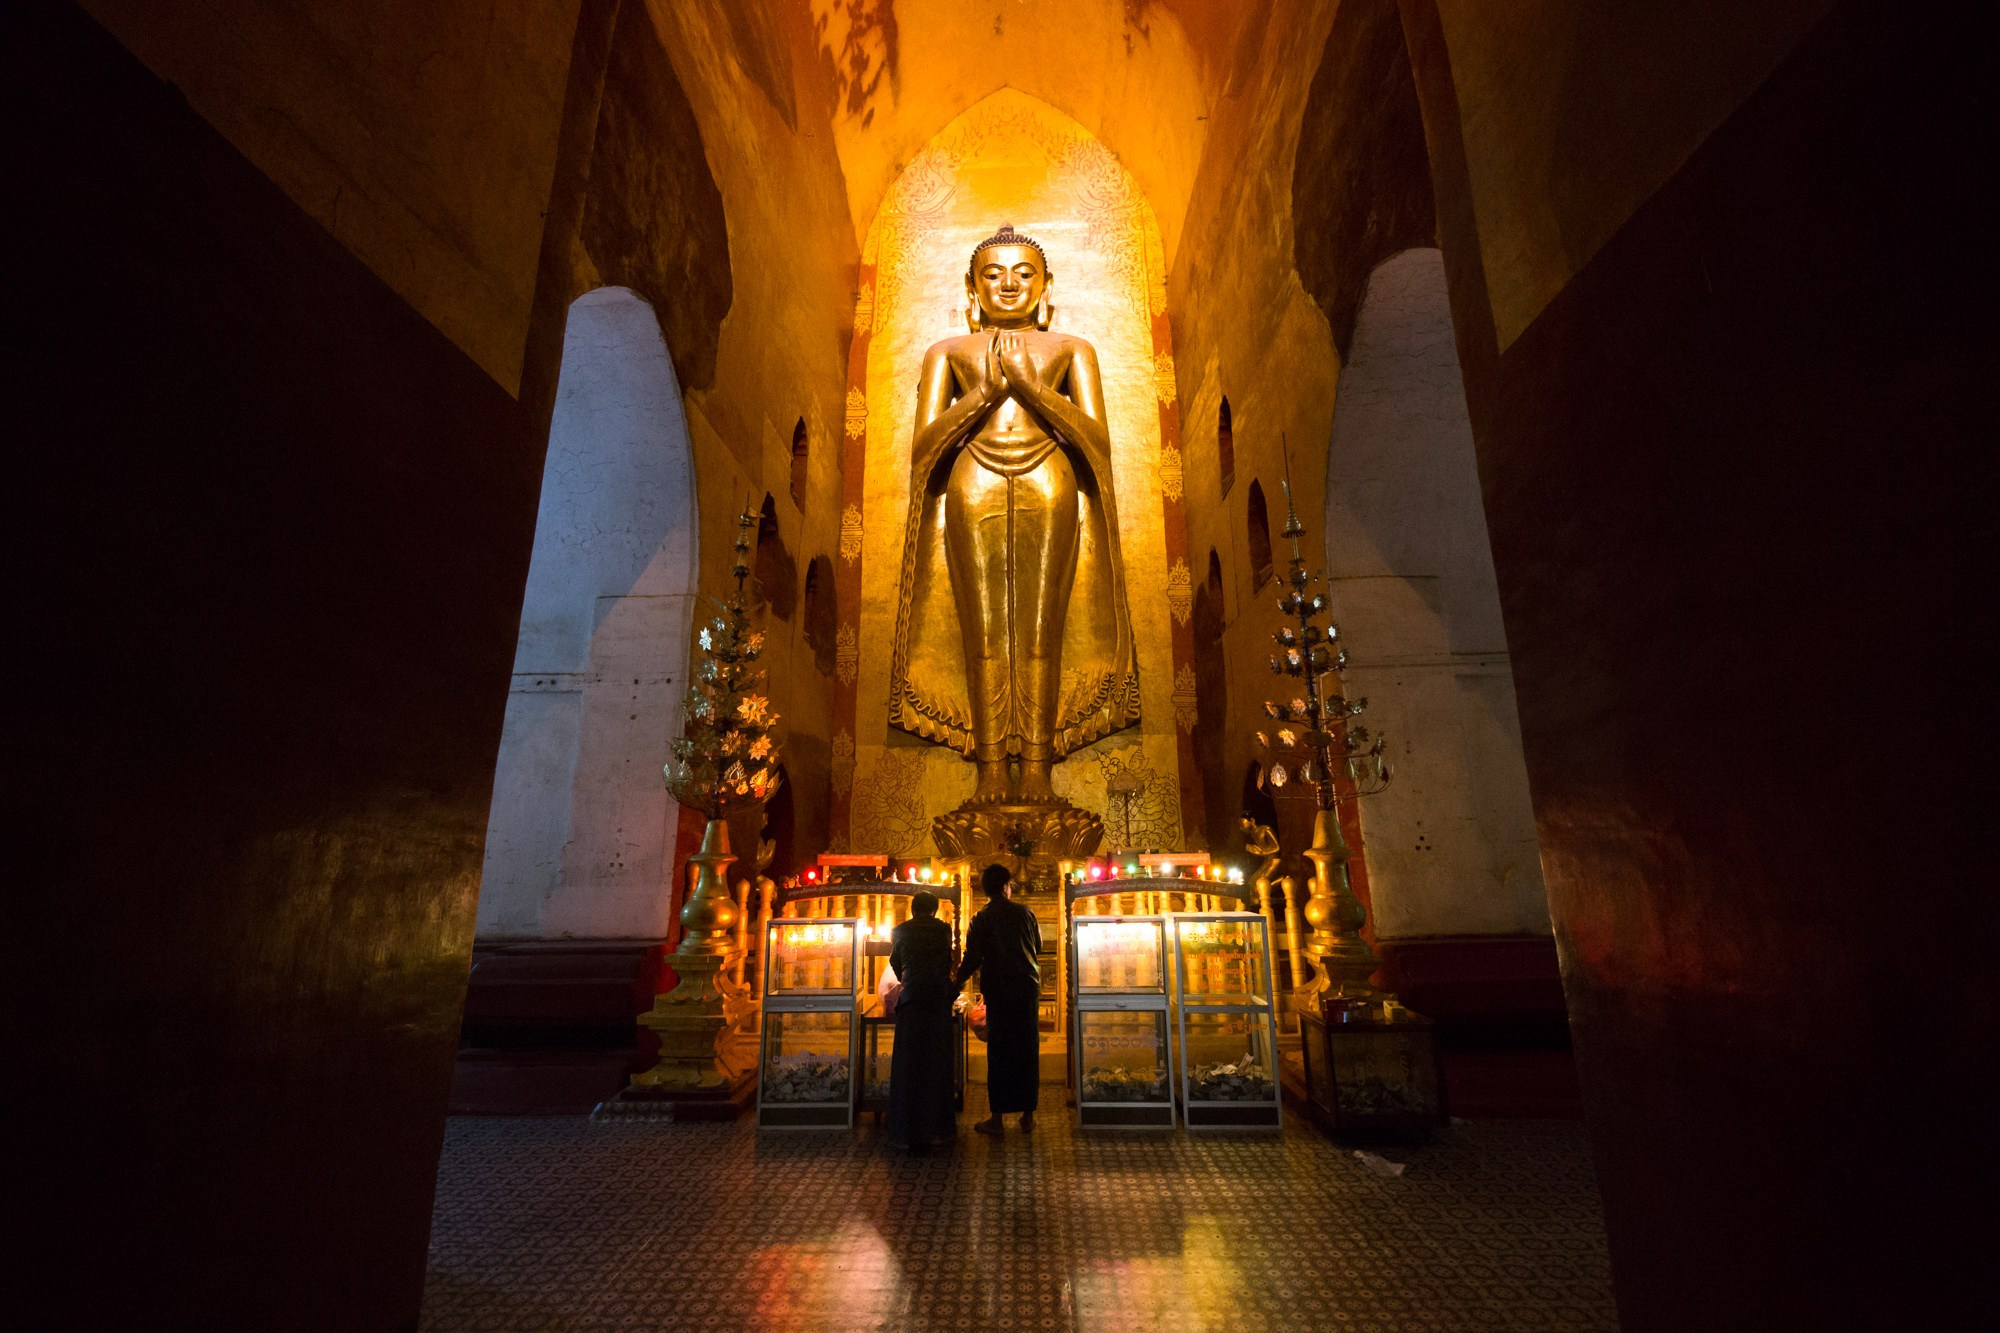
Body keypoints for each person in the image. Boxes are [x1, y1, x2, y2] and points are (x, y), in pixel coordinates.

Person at [954, 863, 1042, 1133]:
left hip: (1000, 991)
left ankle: (997, 1119)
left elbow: (972, 958)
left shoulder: (981, 918)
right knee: (1027, 1050)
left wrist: (954, 983)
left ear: (986, 889)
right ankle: (1028, 1115)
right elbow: (1038, 947)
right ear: (1006, 887)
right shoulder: (1026, 913)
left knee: (1000, 1052)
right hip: (1026, 989)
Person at [886, 890, 959, 1151]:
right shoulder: (943, 930)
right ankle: (938, 1131)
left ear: (913, 909)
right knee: (936, 1064)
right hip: (937, 1001)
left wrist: (909, 982)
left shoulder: (900, 930)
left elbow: (896, 963)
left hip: (911, 1001)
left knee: (908, 1065)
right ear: (934, 910)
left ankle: (904, 1133)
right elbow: (948, 962)